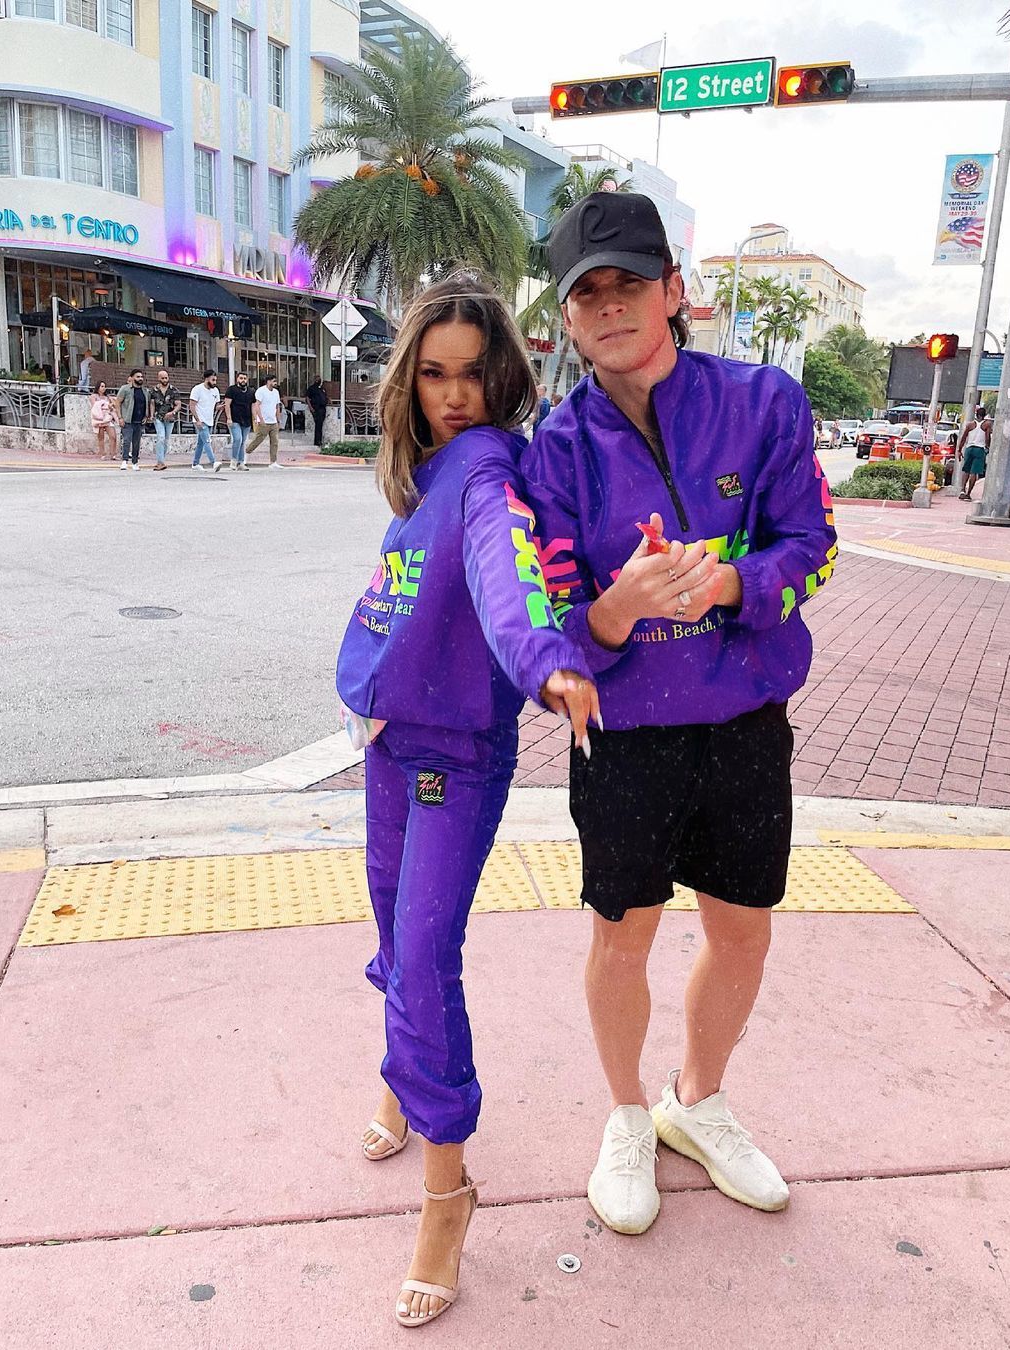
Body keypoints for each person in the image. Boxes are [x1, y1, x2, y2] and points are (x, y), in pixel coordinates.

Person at [521, 191, 838, 1237]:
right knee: (622, 937)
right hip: (623, 737)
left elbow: (816, 544)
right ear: (570, 319)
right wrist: (616, 610)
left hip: (744, 722)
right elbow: (549, 613)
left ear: (673, 291)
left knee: (741, 929)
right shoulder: (556, 448)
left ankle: (696, 1101)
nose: (610, 307)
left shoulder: (765, 402)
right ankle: (626, 1115)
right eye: (588, 294)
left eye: (628, 284)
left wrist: (732, 585)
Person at [335, 272, 599, 1328]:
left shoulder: (488, 469)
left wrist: (544, 658)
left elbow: (505, 569)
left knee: (425, 956)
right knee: (391, 930)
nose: (455, 394)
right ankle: (400, 1079)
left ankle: (447, 1198)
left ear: (503, 380)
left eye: (474, 375)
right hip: (392, 745)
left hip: (456, 757)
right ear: (411, 380)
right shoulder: (428, 474)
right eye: (436, 374)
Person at [245, 374, 284, 467]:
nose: (275, 383)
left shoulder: (276, 392)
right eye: (273, 381)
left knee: (275, 442)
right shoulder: (261, 391)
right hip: (264, 421)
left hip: (273, 421)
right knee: (258, 439)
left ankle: (273, 462)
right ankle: (246, 454)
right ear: (268, 381)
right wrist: (259, 418)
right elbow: (256, 405)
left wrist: (278, 420)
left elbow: (277, 406)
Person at [115, 368, 148, 470]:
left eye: (141, 377)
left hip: (139, 421)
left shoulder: (145, 391)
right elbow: (118, 403)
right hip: (128, 420)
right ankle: (124, 461)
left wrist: (146, 416)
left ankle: (135, 462)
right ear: (132, 378)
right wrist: (120, 417)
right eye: (138, 377)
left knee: (136, 442)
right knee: (126, 441)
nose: (140, 378)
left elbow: (146, 404)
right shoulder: (125, 389)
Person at [189, 370, 221, 471]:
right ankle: (213, 462)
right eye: (213, 380)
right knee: (207, 441)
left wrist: (220, 407)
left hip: (209, 420)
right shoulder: (197, 389)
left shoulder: (215, 391)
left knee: (201, 443)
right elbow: (192, 405)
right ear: (206, 379)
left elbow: (215, 406)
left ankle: (195, 463)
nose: (215, 382)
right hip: (200, 420)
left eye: (215, 380)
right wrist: (197, 420)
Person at [149, 370, 181, 471]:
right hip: (158, 416)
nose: (164, 380)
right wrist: (151, 415)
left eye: (166, 378)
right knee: (161, 437)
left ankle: (161, 460)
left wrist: (173, 412)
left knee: (166, 440)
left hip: (170, 418)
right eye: (162, 378)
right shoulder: (154, 390)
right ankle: (160, 462)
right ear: (158, 378)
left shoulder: (173, 390)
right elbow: (152, 403)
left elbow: (178, 404)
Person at [957, 406, 991, 500]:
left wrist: (959, 450)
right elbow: (987, 438)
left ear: (976, 414)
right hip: (980, 449)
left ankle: (962, 490)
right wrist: (988, 447)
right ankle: (968, 493)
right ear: (984, 415)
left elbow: (963, 437)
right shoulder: (987, 425)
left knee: (966, 470)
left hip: (969, 448)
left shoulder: (970, 424)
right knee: (974, 472)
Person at [222, 371, 254, 472]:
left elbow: (253, 405)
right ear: (237, 379)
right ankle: (234, 460)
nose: (243, 380)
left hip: (247, 419)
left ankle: (241, 462)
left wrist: (255, 418)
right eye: (241, 378)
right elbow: (227, 404)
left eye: (245, 378)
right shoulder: (231, 390)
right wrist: (229, 418)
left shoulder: (251, 391)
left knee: (243, 442)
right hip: (235, 419)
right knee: (237, 439)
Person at [89, 380, 118, 460]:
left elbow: (113, 406)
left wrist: (110, 407)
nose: (103, 388)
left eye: (104, 386)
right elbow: (95, 406)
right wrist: (106, 406)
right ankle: (103, 454)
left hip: (107, 418)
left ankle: (113, 454)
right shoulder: (93, 396)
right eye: (102, 386)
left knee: (113, 436)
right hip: (99, 418)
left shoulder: (108, 397)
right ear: (98, 387)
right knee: (101, 437)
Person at [305, 374, 329, 447]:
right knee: (318, 425)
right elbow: (307, 398)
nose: (318, 380)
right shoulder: (311, 388)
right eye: (317, 379)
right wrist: (311, 408)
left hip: (323, 408)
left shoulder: (322, 389)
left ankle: (319, 440)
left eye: (319, 379)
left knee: (320, 425)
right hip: (316, 409)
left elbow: (325, 397)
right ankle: (317, 441)